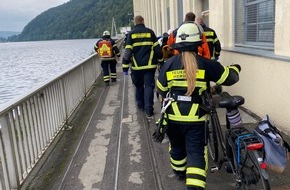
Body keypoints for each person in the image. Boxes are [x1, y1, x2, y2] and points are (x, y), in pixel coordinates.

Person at [156, 21, 241, 190]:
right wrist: (235, 68)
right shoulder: (206, 63)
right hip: (196, 119)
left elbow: (161, 89)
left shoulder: (168, 64)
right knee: (196, 154)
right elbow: (229, 78)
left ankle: (180, 172)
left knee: (177, 148)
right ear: (198, 43)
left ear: (177, 44)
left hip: (172, 118)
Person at [122, 15, 163, 118]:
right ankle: (149, 110)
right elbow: (158, 50)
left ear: (135, 23)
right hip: (149, 67)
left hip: (136, 67)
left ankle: (141, 106)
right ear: (143, 21)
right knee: (149, 87)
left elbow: (127, 52)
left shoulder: (131, 34)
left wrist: (125, 67)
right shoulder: (150, 32)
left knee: (139, 86)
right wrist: (161, 61)